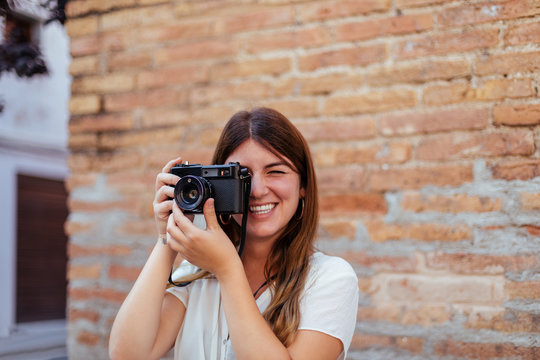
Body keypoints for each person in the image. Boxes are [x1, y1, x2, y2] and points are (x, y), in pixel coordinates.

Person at [109, 107, 359, 360]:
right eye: (242, 175)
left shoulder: (331, 279)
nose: (258, 190)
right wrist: (168, 239)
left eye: (276, 171)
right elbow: (127, 355)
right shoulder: (195, 277)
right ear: (216, 185)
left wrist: (228, 269)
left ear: (303, 186)